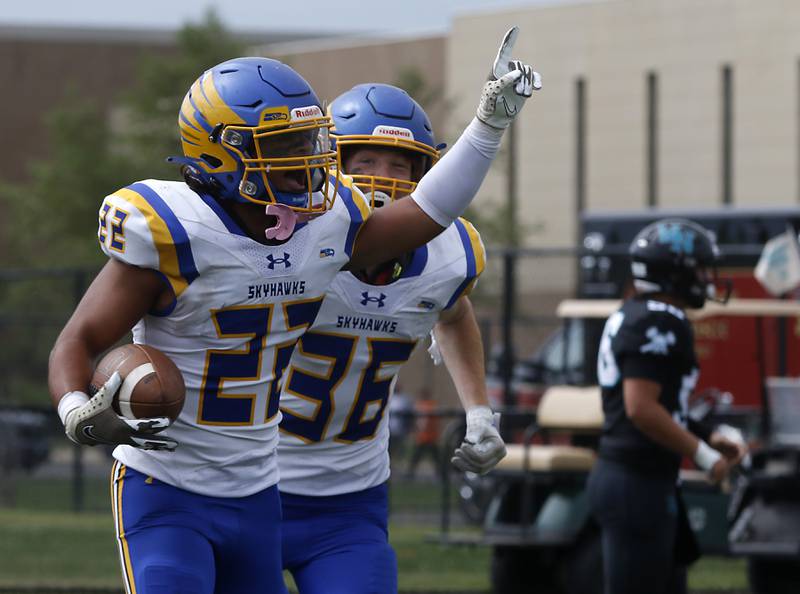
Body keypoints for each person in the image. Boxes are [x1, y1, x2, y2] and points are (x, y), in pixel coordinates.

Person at [47, 28, 538, 594]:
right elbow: (77, 340)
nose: (306, 161)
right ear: (220, 150)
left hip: (258, 494)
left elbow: (428, 213)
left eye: (309, 141)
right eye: (283, 146)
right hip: (166, 486)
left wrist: (488, 127)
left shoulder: (328, 230)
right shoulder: (178, 232)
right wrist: (75, 409)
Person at [277, 79, 525, 594]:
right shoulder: (287, 242)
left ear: (427, 175)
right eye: (364, 162)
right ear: (329, 163)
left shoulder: (449, 254)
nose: (381, 181)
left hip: (351, 496)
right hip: (252, 485)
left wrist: (478, 410)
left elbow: (453, 313)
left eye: (399, 166)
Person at [588, 219, 749, 594]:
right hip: (636, 481)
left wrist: (708, 436)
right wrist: (706, 458)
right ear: (674, 271)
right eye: (700, 268)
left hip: (636, 478)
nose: (707, 279)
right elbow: (641, 408)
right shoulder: (660, 318)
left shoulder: (637, 311)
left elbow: (661, 405)